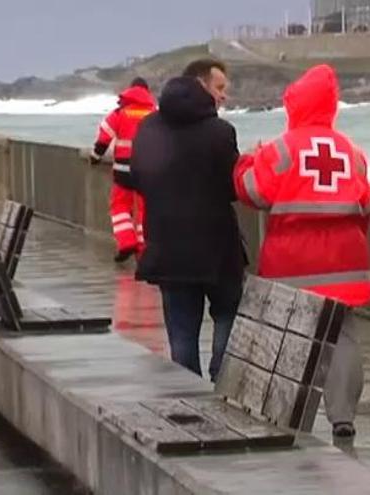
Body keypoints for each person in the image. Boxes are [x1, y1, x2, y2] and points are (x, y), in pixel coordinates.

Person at [234, 64, 370, 439]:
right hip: (346, 258)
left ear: (295, 105)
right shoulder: (353, 152)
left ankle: (284, 413)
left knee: (289, 335)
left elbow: (251, 192)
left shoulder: (280, 149)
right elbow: (367, 205)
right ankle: (343, 416)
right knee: (343, 336)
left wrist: (248, 160)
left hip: (292, 258)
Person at [131, 59, 244, 381]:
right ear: (201, 84)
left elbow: (135, 178)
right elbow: (232, 188)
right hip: (216, 250)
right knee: (228, 313)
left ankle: (189, 395)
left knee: (181, 334)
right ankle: (220, 376)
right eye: (220, 88)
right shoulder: (221, 132)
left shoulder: (148, 127)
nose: (223, 97)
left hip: (167, 248)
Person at [91, 77, 157, 263]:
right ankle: (145, 249)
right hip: (148, 170)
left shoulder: (120, 113)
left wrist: (95, 157)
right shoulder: (154, 113)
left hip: (122, 170)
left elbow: (104, 138)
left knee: (120, 206)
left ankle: (127, 242)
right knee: (145, 209)